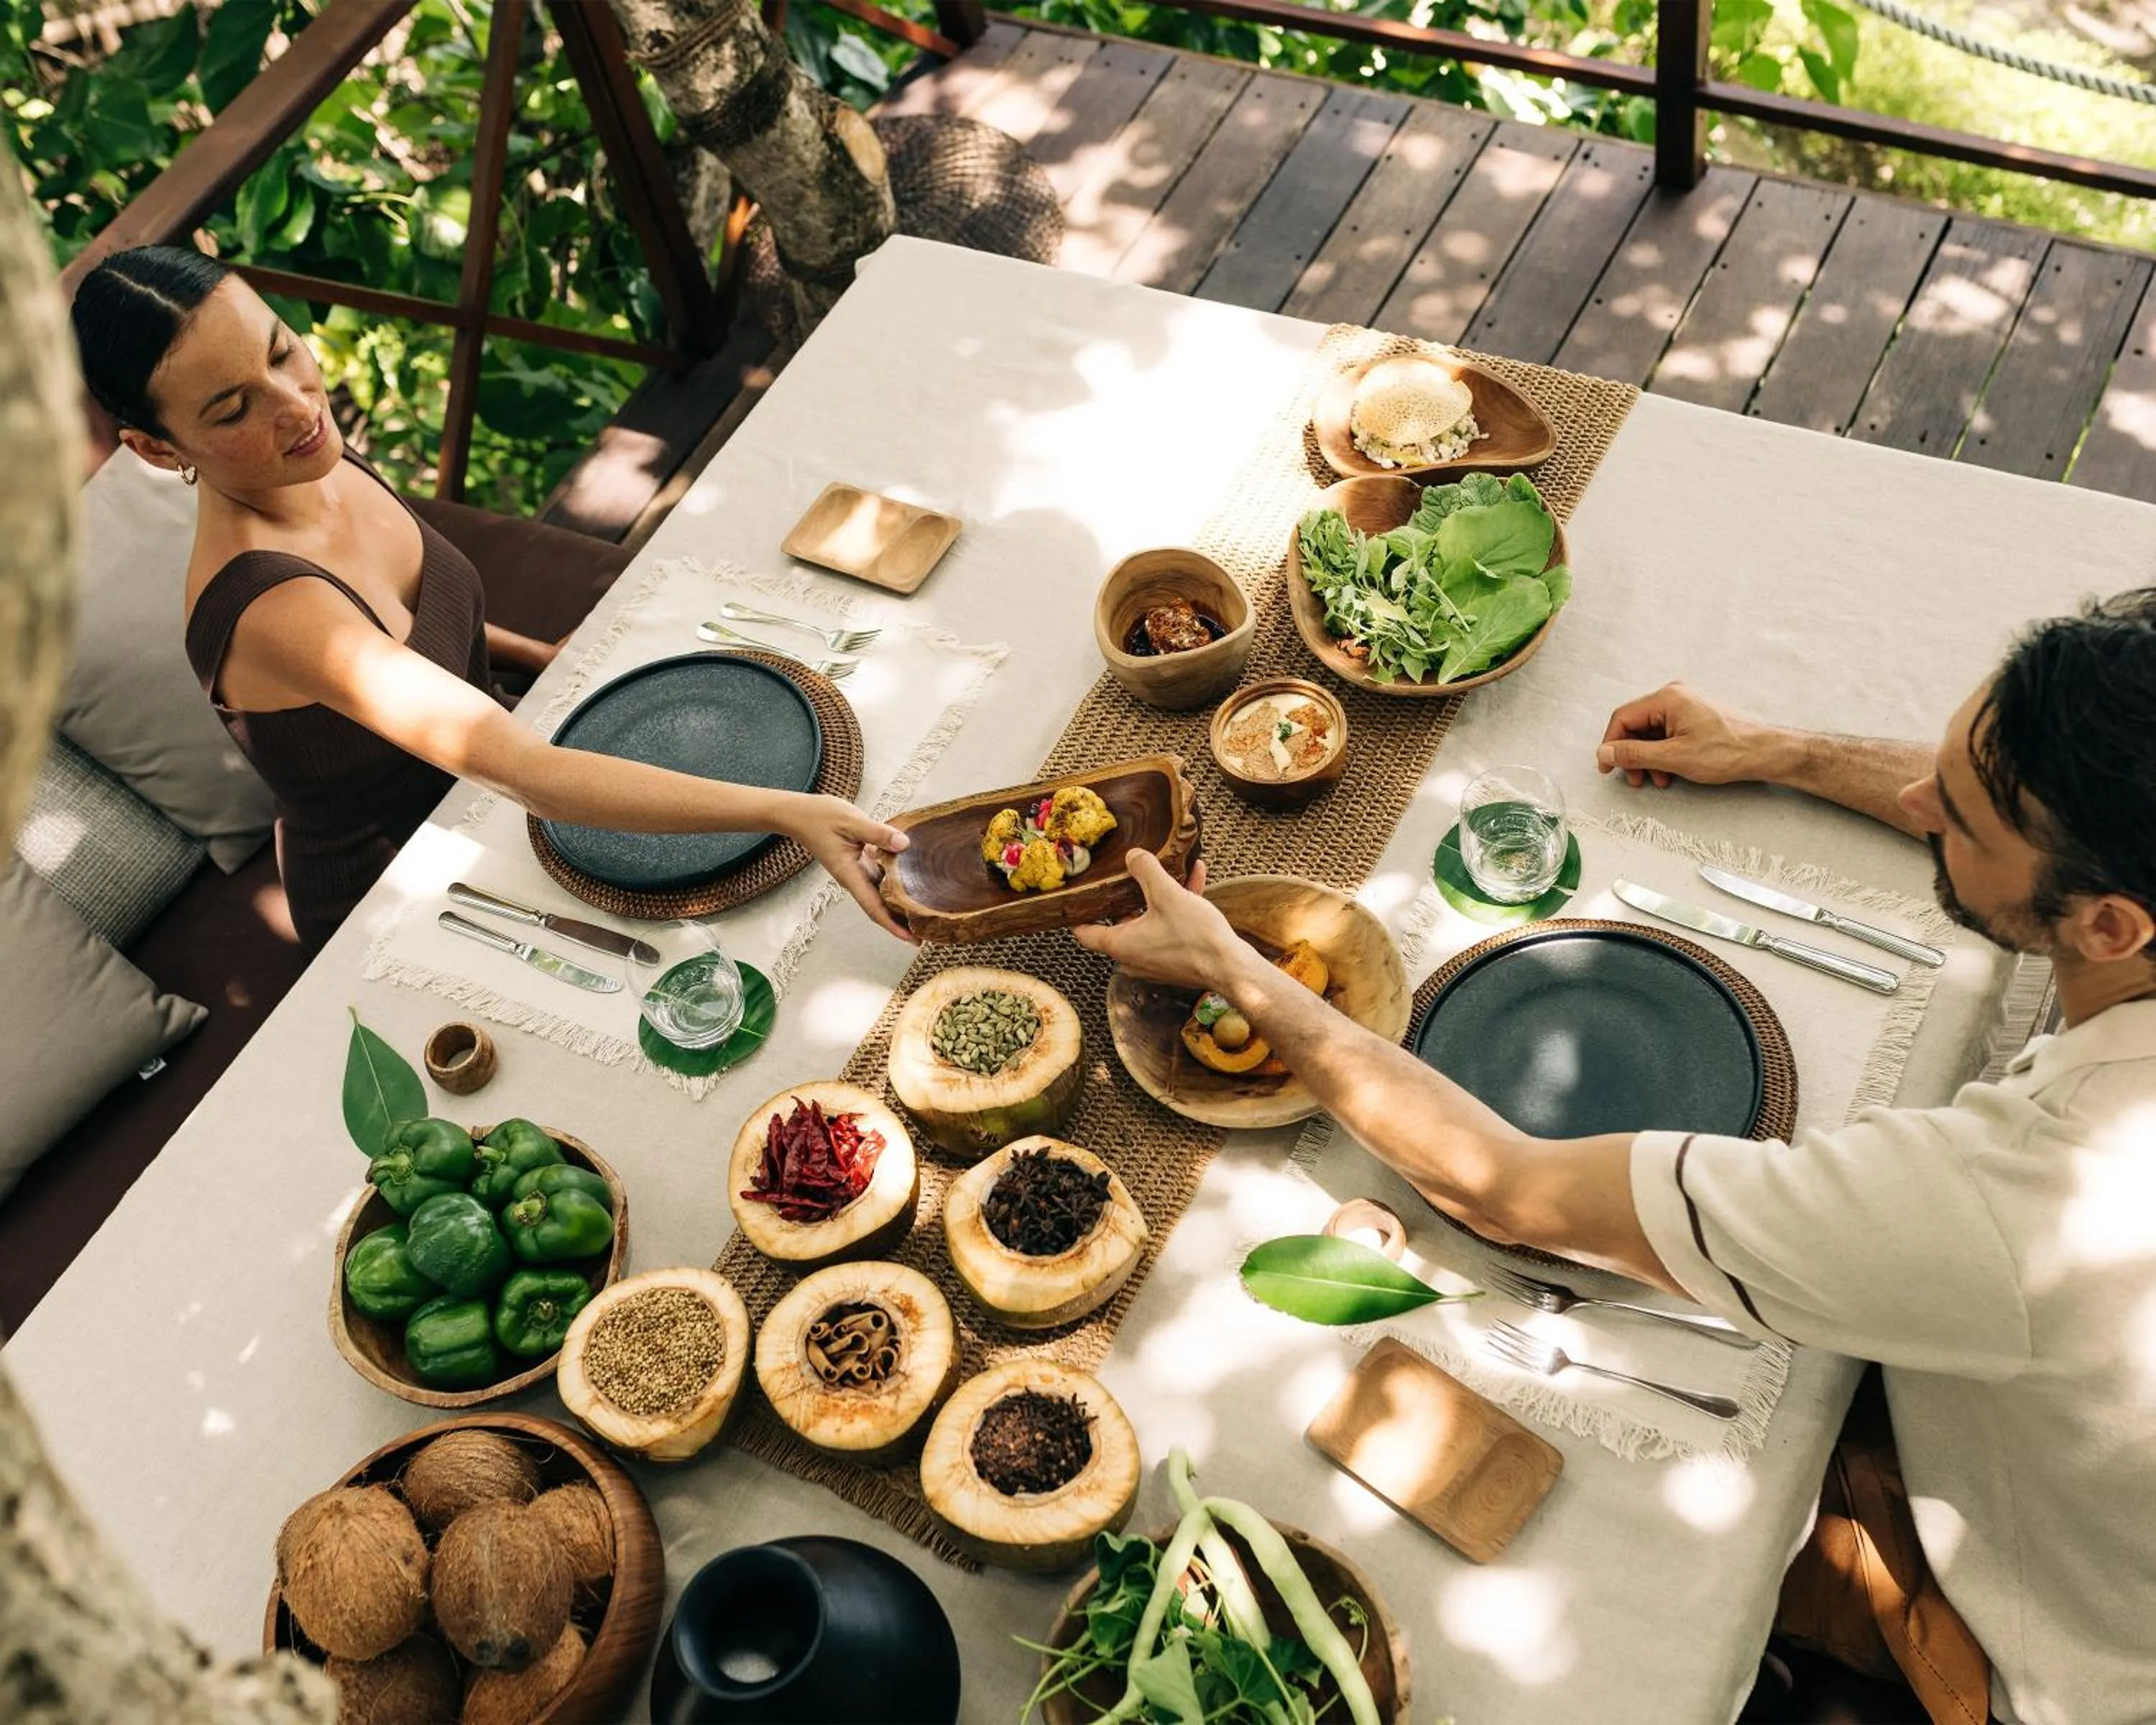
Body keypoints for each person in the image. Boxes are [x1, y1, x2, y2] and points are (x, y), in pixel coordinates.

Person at [1078, 590, 2156, 1725]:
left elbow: (1508, 1188)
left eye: (1957, 820)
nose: (1912, 802)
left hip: (2052, 1654)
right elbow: (2037, 811)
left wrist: (1243, 970)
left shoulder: (2027, 1194)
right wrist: (1774, 752)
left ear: (2109, 928)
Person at [70, 245, 908, 949]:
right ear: (153, 447)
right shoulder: (271, 609)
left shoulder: (309, 456)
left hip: (496, 781)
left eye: (282, 351)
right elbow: (532, 775)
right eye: (232, 408)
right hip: (414, 881)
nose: (296, 406)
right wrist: (789, 813)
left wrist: (547, 657)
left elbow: (419, 630)